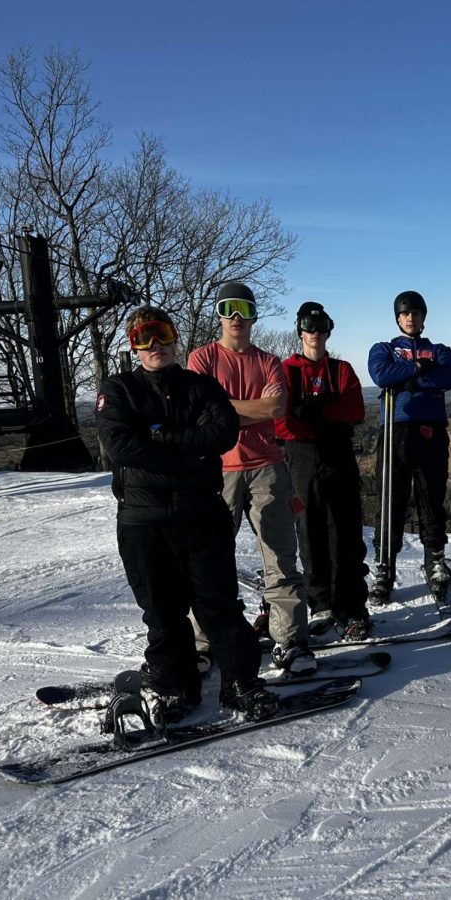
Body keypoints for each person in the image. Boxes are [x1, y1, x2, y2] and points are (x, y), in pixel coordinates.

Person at [95, 306, 279, 722]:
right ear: (133, 345)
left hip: (201, 515)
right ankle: (174, 686)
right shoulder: (120, 389)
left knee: (219, 605)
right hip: (144, 521)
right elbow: (122, 446)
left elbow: (223, 433)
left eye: (160, 334)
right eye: (143, 338)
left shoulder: (200, 385)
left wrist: (162, 435)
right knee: (162, 611)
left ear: (175, 338)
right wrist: (189, 452)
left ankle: (241, 683)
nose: (154, 345)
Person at [187, 282, 315, 675]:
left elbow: (276, 406)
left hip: (267, 466)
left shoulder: (269, 362)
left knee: (280, 557)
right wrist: (243, 410)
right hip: (216, 468)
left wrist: (222, 409)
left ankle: (289, 641)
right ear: (220, 314)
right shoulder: (202, 358)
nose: (237, 317)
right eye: (229, 308)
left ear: (255, 314)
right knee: (208, 558)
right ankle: (204, 644)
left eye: (244, 308)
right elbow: (199, 412)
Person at [276, 301, 372, 641]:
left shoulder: (341, 369)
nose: (315, 334)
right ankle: (321, 603)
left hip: (339, 457)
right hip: (302, 461)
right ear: (300, 332)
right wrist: (328, 413)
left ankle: (351, 605)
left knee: (345, 531)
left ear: (328, 331)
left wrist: (312, 412)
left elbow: (355, 408)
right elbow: (283, 422)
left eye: (321, 327)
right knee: (310, 530)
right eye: (309, 327)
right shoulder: (287, 370)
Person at [366, 290, 451, 602]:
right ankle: (384, 567)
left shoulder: (440, 350)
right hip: (395, 428)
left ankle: (435, 560)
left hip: (431, 430)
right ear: (398, 318)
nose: (410, 318)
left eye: (416, 313)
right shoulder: (384, 348)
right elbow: (381, 375)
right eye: (405, 314)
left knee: (431, 497)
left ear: (423, 317)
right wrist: (419, 369)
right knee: (391, 500)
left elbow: (447, 378)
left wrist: (405, 379)